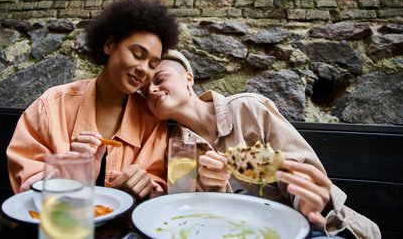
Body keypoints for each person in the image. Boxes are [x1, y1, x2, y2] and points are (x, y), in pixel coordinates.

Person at [142, 50, 380, 239]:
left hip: (307, 226)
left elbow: (298, 169)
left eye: (160, 79)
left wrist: (306, 199)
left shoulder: (249, 108)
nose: (151, 89)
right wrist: (211, 187)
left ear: (188, 79)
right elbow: (192, 214)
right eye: (144, 90)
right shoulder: (174, 146)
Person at [6, 0, 180, 199]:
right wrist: (68, 175)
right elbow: (26, 183)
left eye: (152, 65)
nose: (143, 69)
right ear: (109, 45)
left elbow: (157, 182)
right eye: (137, 55)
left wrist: (146, 186)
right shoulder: (53, 105)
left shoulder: (152, 121)